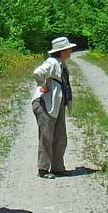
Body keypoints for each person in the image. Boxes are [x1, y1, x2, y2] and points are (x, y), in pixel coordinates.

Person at [32, 36, 75, 179]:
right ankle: (43, 169)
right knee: (47, 136)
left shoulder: (60, 63)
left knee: (59, 136)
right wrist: (43, 85)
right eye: (68, 48)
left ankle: (58, 167)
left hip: (55, 104)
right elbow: (38, 72)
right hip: (45, 103)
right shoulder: (52, 62)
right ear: (62, 51)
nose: (70, 50)